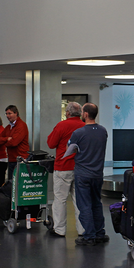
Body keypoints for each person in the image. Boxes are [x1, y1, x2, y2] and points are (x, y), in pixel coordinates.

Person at [69, 103, 108, 246]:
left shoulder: (78, 133)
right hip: (97, 174)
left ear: (85, 114)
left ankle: (89, 235)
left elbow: (71, 150)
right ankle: (99, 233)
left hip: (83, 174)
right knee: (96, 203)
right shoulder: (103, 131)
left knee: (84, 204)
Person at [46, 102, 85, 237]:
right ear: (80, 113)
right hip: (80, 168)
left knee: (60, 199)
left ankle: (59, 230)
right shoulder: (84, 126)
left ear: (67, 113)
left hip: (63, 168)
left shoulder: (61, 125)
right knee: (79, 200)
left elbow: (51, 144)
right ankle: (82, 230)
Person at [0, 105, 29, 180]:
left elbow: (14, 142)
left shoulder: (21, 125)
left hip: (20, 159)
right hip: (11, 159)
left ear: (16, 113)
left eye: (9, 113)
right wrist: (7, 139)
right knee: (11, 184)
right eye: (6, 114)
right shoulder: (8, 127)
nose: (7, 116)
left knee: (18, 184)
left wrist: (6, 143)